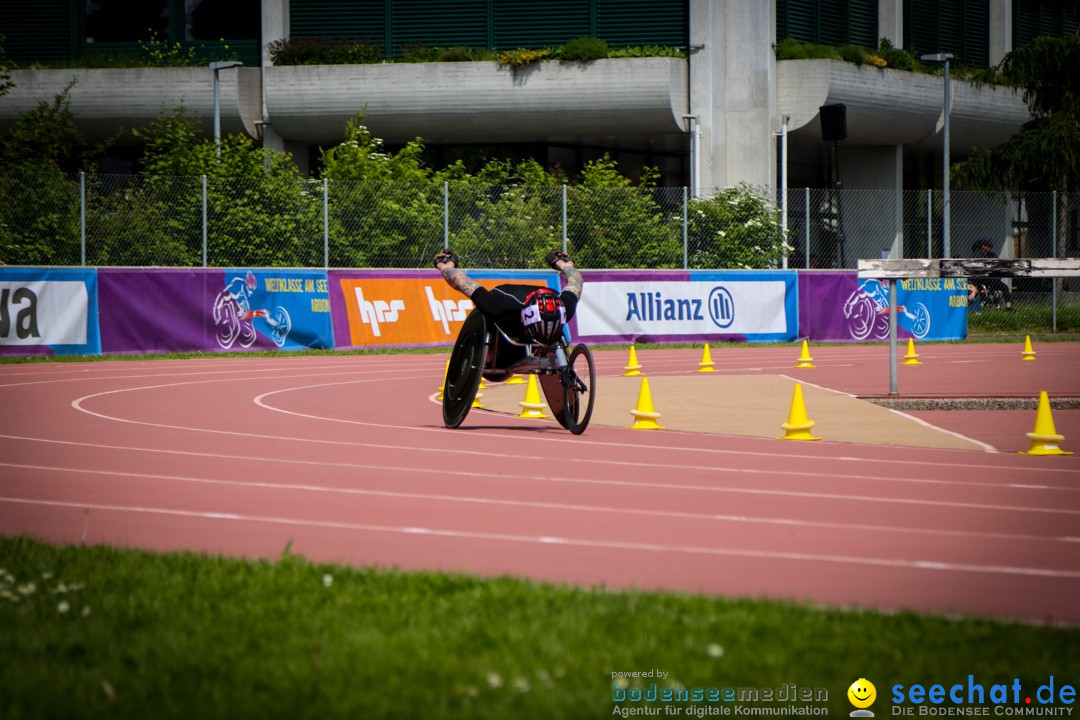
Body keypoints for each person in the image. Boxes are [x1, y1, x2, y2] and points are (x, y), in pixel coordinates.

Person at [434, 250, 583, 374]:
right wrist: (446, 267)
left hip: (546, 299)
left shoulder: (565, 307)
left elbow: (576, 280)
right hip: (508, 295)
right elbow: (460, 281)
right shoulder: (497, 304)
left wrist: (564, 264)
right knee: (488, 313)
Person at [968, 237, 1013, 310]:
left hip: (991, 279)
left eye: (991, 246)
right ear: (983, 246)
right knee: (982, 288)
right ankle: (984, 303)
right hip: (979, 279)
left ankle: (1008, 307)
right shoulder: (976, 255)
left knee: (1005, 288)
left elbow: (997, 267)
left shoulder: (992, 255)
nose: (990, 248)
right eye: (988, 246)